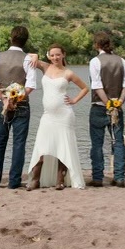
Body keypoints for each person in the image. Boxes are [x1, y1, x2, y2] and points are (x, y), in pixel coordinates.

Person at [26, 44, 88, 190]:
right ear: (49, 55)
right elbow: (26, 55)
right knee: (41, 146)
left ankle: (60, 180)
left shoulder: (68, 73)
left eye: (58, 55)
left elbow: (85, 88)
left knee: (63, 147)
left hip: (64, 115)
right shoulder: (45, 67)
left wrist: (74, 100)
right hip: (47, 116)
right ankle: (35, 179)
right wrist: (35, 56)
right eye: (52, 55)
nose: (55, 57)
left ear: (63, 55)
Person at [0, 25, 37, 189]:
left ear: (11, 37)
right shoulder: (28, 59)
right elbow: (30, 86)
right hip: (21, 106)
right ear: (25, 40)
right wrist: (16, 99)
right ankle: (14, 182)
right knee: (19, 144)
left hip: (0, 105)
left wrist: (3, 98)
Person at [88, 32, 125, 187]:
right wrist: (118, 102)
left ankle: (98, 177)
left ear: (96, 45)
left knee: (97, 144)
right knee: (118, 142)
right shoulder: (123, 62)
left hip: (99, 107)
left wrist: (108, 104)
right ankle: (119, 177)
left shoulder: (95, 61)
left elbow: (97, 86)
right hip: (117, 108)